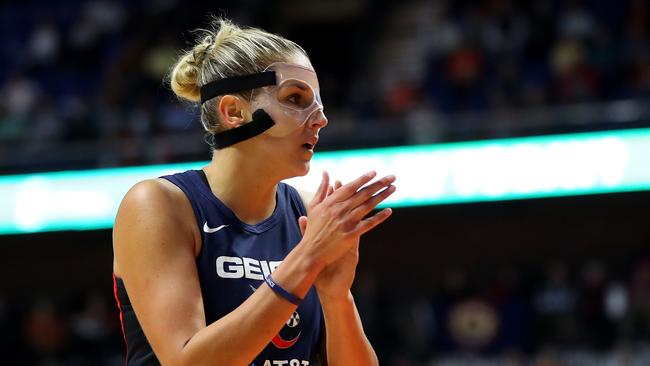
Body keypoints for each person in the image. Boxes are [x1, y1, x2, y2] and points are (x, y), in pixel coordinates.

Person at [112, 18, 396, 366]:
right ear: (234, 112)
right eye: (296, 97)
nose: (320, 118)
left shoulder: (305, 212)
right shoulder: (159, 204)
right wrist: (306, 259)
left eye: (319, 102)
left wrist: (336, 297)